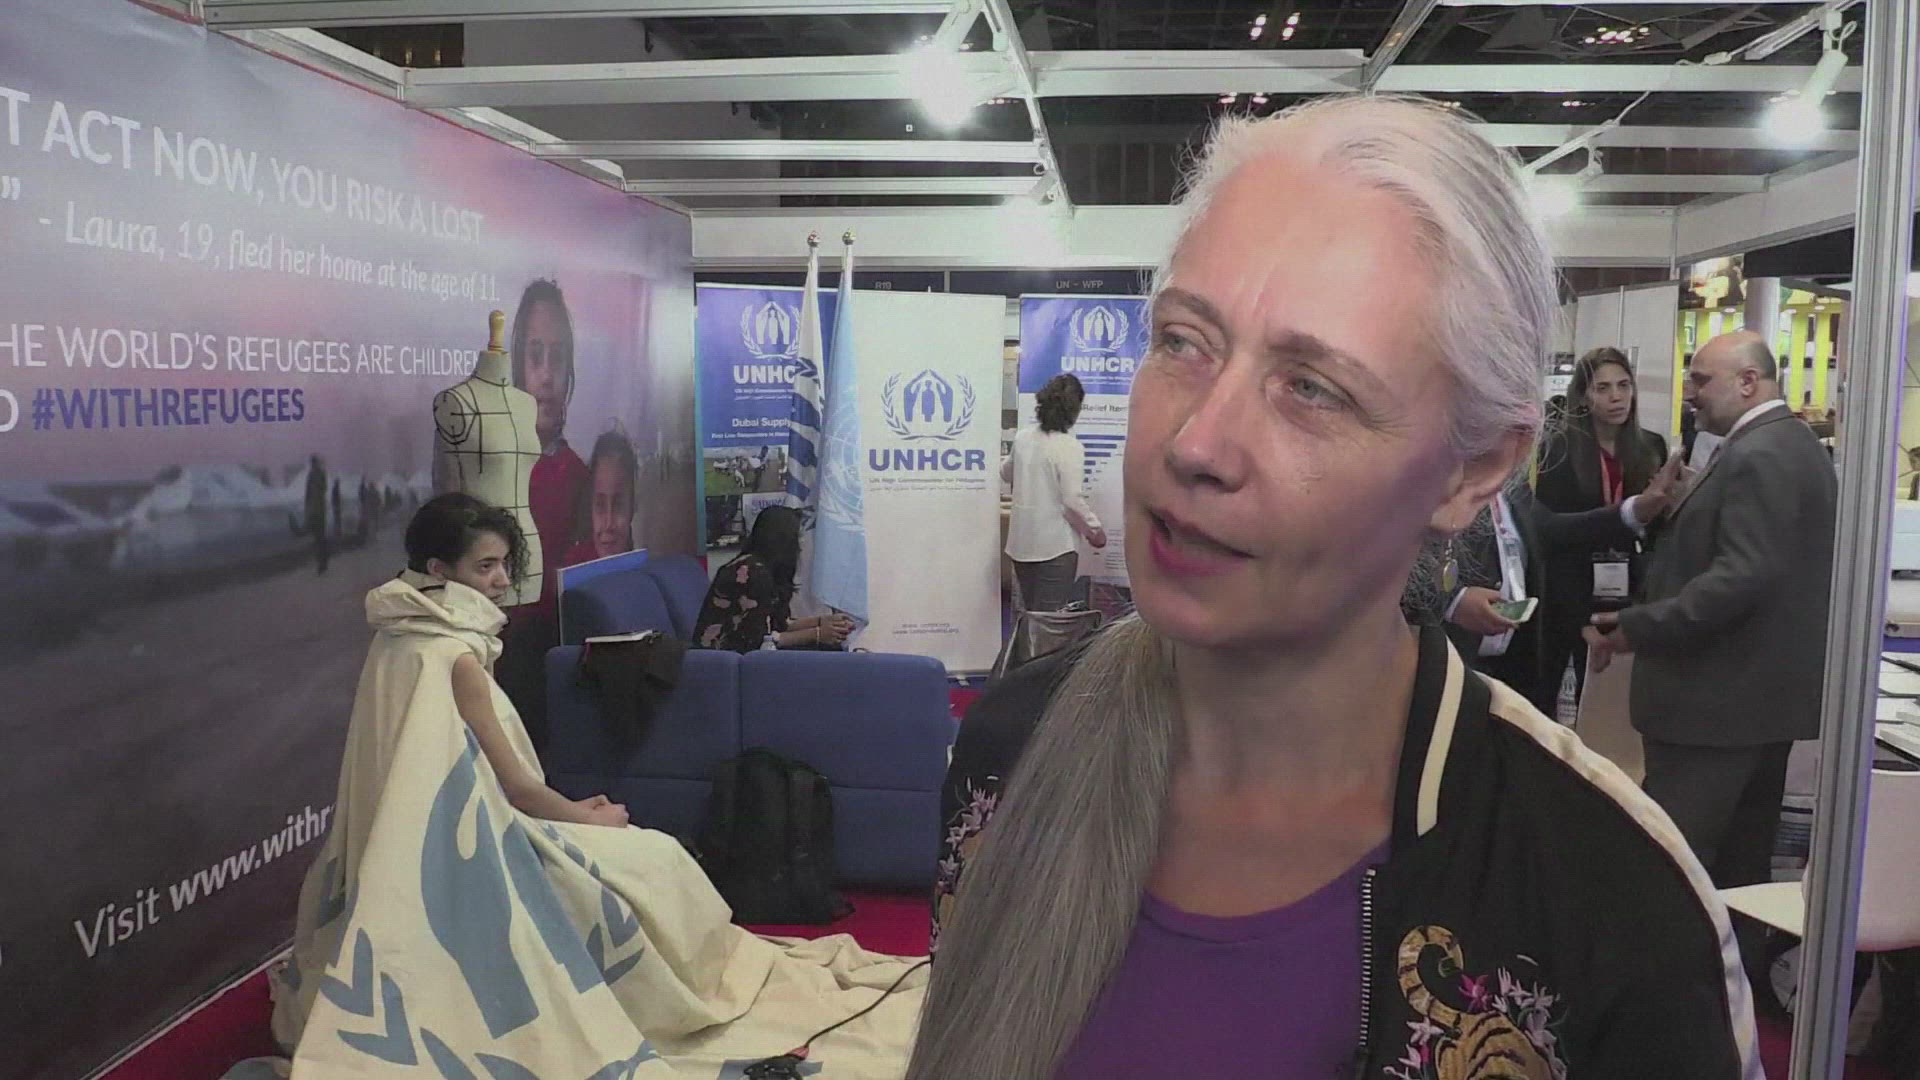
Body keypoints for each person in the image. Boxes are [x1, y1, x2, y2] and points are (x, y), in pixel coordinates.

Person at [916, 96, 1756, 1080]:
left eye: (1312, 389)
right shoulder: (1011, 749)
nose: (1196, 443)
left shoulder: (1607, 897)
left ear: (1474, 469)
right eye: (1184, 341)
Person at [260, 492, 927, 1076]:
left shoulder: (397, 635)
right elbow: (517, 791)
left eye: (503, 564)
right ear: (439, 570)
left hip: (413, 852)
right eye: (484, 567)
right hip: (485, 850)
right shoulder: (456, 655)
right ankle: (687, 995)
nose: (500, 582)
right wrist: (590, 819)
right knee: (655, 858)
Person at [1586, 330, 1836, 1004]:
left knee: (1674, 871)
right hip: (1753, 707)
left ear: (1749, 382)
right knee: (1737, 878)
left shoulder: (1760, 454)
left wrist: (1638, 626)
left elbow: (1740, 579)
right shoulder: (1790, 447)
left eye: (1701, 380)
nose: (1690, 393)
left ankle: (1662, 1013)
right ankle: (1726, 1007)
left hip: (1713, 708)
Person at [1443, 467, 1681, 714]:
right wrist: (1454, 601)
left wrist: (1635, 511)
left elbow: (1550, 529)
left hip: (1516, 661)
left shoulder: (1511, 479)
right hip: (1455, 659)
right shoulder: (1441, 473)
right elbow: (1419, 552)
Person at [1530, 345, 1669, 711]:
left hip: (1628, 591)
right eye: (1602, 388)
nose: (1616, 397)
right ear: (1584, 396)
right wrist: (1581, 622)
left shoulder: (1651, 447)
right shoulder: (1559, 449)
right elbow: (1553, 538)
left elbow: (1656, 536)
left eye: (1624, 386)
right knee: (1548, 699)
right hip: (1569, 591)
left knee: (1611, 708)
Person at [1003, 373, 1108, 612]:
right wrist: (1094, 530)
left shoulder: (1023, 438)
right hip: (1055, 547)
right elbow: (1071, 501)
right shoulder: (1070, 446)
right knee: (1049, 620)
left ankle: (1029, 640)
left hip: (1022, 545)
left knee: (1032, 614)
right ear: (1074, 410)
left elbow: (1006, 474)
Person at [512, 279, 590, 594]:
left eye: (557, 357)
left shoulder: (580, 478)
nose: (546, 375)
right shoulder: (491, 468)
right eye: (535, 355)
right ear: (518, 364)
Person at [693, 505, 854, 653]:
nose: (801, 543)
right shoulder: (752, 574)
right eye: (797, 537)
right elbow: (762, 642)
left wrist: (822, 622)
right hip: (725, 658)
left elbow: (778, 623)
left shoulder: (759, 567)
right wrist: (817, 634)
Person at [565, 431, 638, 565]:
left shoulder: (645, 567)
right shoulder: (573, 568)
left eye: (618, 505)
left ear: (632, 507)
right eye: (600, 505)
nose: (608, 524)